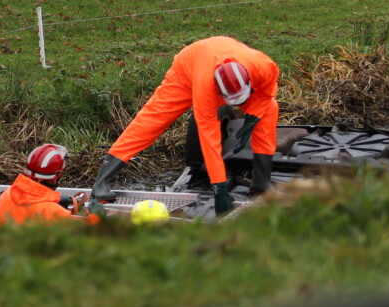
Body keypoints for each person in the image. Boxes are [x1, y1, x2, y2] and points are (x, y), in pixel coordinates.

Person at [91, 36, 279, 215]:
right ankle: (101, 182)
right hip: (188, 68)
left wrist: (254, 114)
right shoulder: (206, 90)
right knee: (152, 119)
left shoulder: (262, 65)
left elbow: (267, 89)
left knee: (269, 110)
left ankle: (261, 181)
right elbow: (209, 139)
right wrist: (219, 188)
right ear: (218, 90)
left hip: (225, 55)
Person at [0, 143, 86, 226]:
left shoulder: (6, 195)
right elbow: (83, 231)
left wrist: (55, 200)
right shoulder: (54, 211)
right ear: (54, 178)